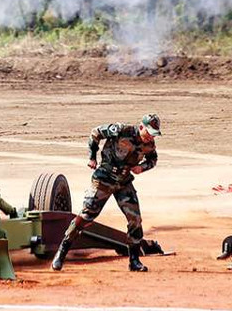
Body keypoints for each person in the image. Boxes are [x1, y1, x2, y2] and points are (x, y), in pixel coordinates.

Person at [51, 114, 161, 273]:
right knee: (86, 216)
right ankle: (61, 252)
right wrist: (92, 157)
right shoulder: (122, 130)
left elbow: (153, 160)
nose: (150, 137)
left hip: (123, 182)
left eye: (153, 134)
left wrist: (141, 168)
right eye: (149, 132)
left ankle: (134, 261)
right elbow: (96, 133)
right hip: (104, 178)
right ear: (141, 127)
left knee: (135, 219)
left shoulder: (150, 144)